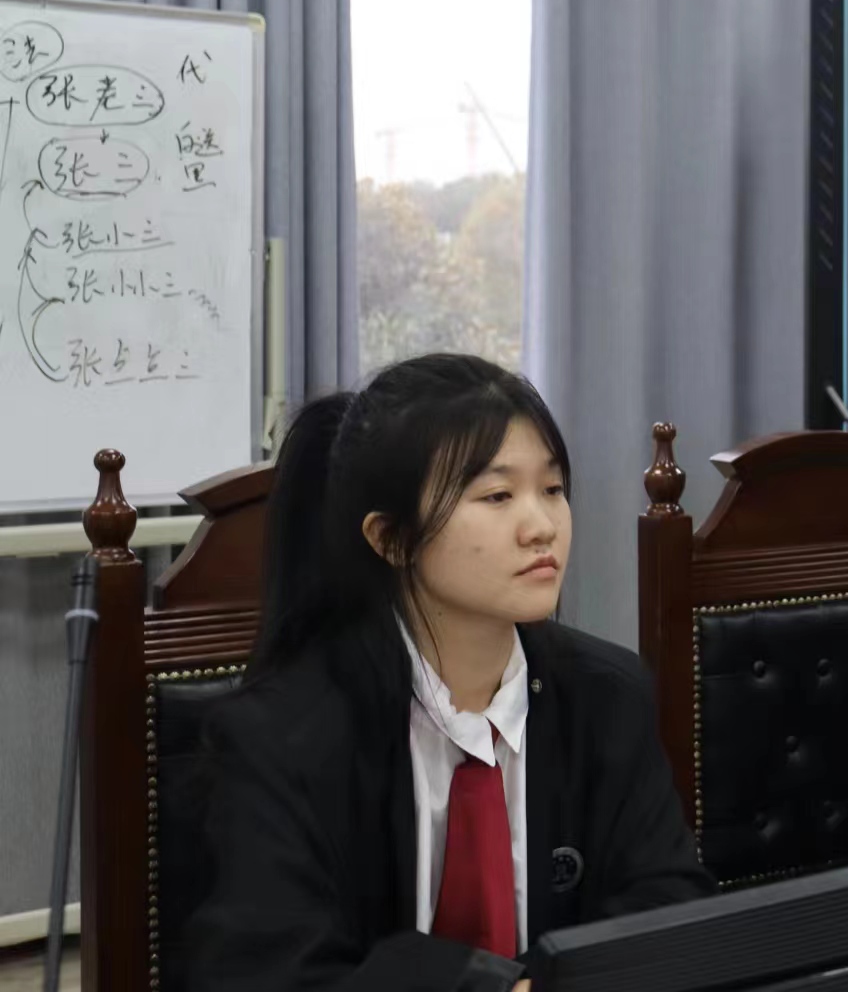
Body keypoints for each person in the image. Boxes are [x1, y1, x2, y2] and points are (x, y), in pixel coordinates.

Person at [187, 354, 712, 991]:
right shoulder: (281, 738)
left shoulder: (608, 698)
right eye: (497, 496)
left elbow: (669, 906)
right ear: (391, 539)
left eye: (552, 489)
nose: (541, 527)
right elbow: (267, 973)